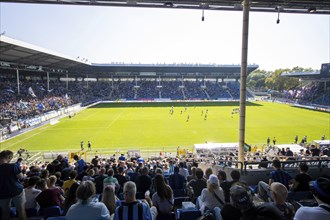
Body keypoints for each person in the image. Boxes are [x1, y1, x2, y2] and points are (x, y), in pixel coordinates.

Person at [0, 150, 27, 220]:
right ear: (8, 157)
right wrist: (23, 172)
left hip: (2, 193)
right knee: (21, 210)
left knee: (5, 212)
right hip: (16, 190)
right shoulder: (13, 166)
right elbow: (21, 178)